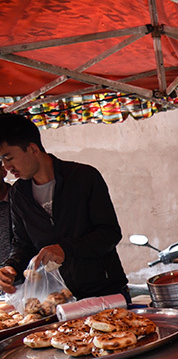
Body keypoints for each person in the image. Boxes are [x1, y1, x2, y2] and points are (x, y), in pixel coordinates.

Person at [0, 113, 129, 300]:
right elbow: (22, 244)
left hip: (104, 291)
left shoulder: (84, 178)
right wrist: (12, 266)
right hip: (58, 298)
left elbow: (109, 233)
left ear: (33, 149)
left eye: (9, 158)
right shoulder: (18, 194)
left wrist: (65, 249)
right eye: (2, 160)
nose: (6, 167)